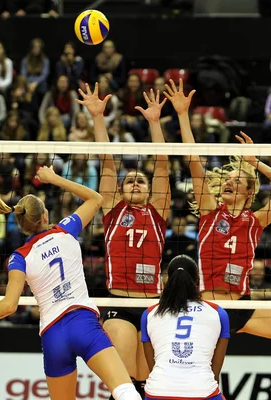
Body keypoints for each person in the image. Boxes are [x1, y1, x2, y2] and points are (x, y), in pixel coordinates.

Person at [0, 167, 142, 400]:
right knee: (125, 390)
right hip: (83, 324)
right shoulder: (65, 229)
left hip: (53, 336)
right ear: (45, 216)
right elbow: (96, 199)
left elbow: (9, 306)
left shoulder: (19, 257)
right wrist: (54, 179)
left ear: (20, 224)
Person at [165, 78, 271, 346]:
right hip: (208, 308)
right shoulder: (209, 211)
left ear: (249, 192)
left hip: (243, 307)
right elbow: (193, 160)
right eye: (228, 180)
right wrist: (183, 114)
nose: (229, 182)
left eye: (237, 180)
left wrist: (255, 162)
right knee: (201, 371)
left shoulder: (255, 220)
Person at [82, 82, 171, 398]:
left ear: (148, 190)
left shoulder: (157, 211)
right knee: (124, 387)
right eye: (130, 180)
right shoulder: (112, 209)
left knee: (150, 385)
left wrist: (155, 123)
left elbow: (162, 164)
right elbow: (107, 162)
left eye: (140, 181)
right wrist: (98, 118)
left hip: (153, 306)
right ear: (120, 190)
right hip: (119, 303)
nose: (135, 183)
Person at [140, 255, 229, 400]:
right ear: (197, 281)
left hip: (157, 391)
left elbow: (153, 367)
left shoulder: (149, 313)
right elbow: (215, 374)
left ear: (168, 280)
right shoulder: (218, 313)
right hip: (202, 392)